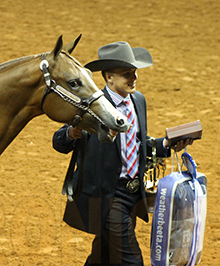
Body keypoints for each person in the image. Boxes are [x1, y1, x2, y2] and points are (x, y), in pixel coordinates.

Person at [53, 41, 192, 266]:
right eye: (127, 74)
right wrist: (72, 132)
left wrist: (167, 144)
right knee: (131, 260)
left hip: (132, 194)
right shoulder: (91, 104)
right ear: (109, 77)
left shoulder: (138, 100)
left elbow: (139, 145)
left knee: (103, 255)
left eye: (135, 73)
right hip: (106, 196)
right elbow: (58, 142)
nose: (134, 78)